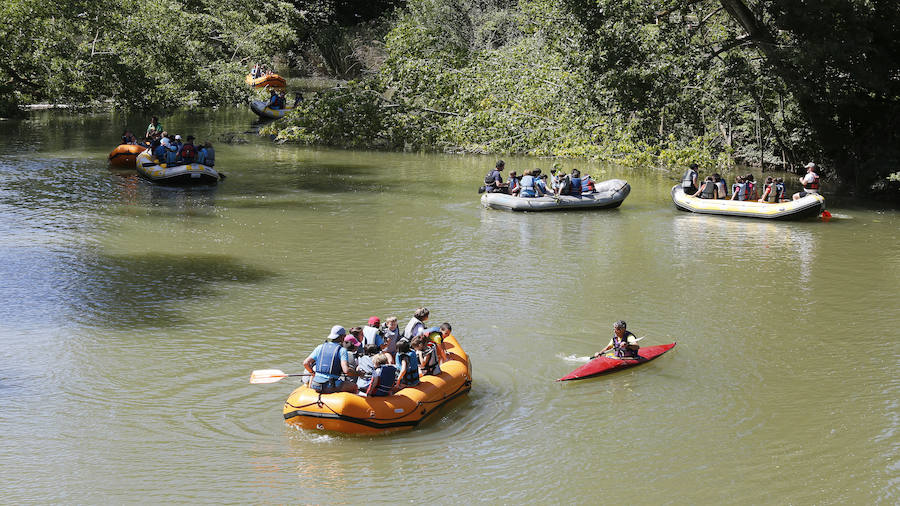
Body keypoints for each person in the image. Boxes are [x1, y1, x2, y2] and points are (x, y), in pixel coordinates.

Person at [302, 325, 359, 394]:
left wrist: (312, 373)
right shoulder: (342, 350)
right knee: (354, 386)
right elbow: (346, 370)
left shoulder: (320, 347)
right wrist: (358, 373)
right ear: (342, 337)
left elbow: (305, 363)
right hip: (330, 385)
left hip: (315, 384)